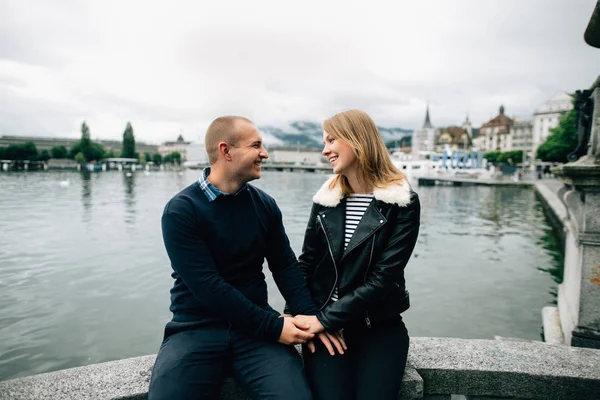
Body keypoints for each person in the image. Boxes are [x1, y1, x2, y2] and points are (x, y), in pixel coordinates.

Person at [149, 116, 334, 400]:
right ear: (226, 151)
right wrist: (274, 327)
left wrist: (310, 318)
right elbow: (208, 287)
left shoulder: (265, 205)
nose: (265, 153)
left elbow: (285, 266)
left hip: (255, 333)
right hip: (196, 329)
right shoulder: (181, 211)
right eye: (256, 145)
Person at [292, 109, 421, 400]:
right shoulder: (326, 199)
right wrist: (309, 318)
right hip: (324, 326)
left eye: (331, 140)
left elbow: (383, 279)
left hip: (378, 327)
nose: (325, 150)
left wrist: (326, 319)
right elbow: (306, 264)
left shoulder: (401, 202)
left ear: (357, 140)